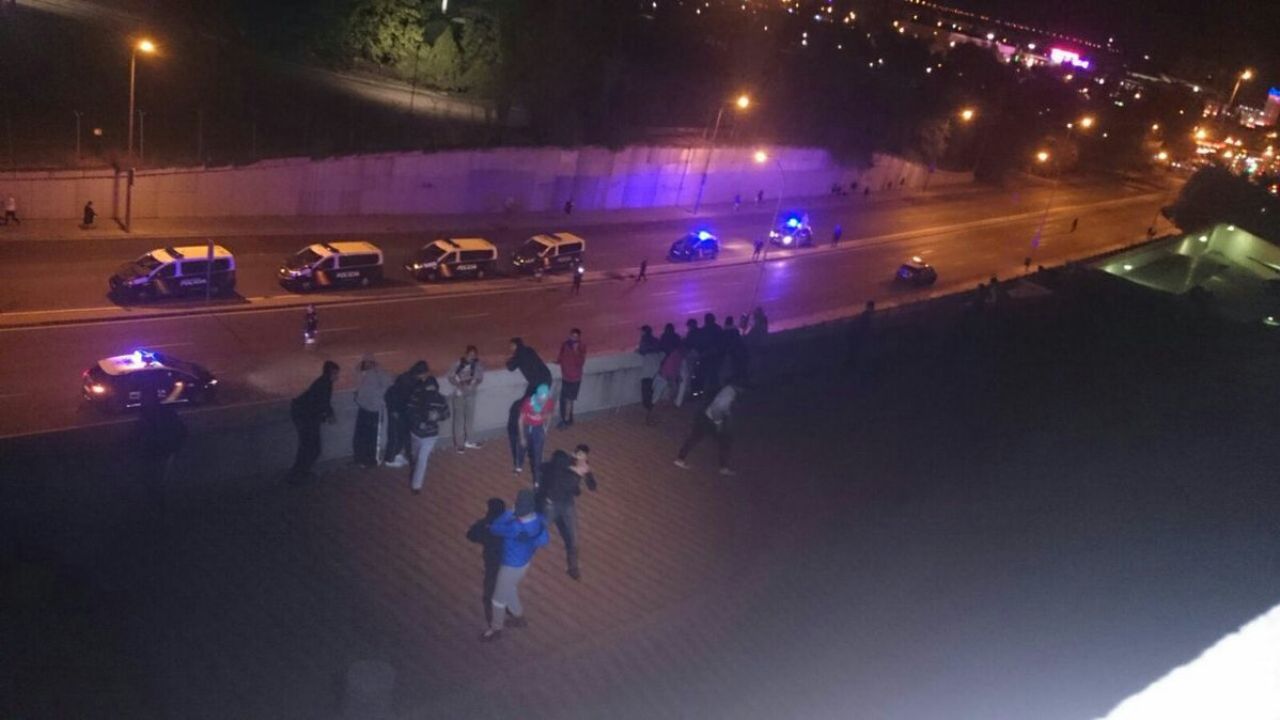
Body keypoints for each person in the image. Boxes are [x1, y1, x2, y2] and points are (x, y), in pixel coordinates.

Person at [481, 488, 549, 641]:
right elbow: (544, 540)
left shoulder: (515, 527)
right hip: (524, 563)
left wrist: (508, 513)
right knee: (510, 588)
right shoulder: (539, 520)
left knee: (498, 599)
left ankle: (496, 629)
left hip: (510, 565)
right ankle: (518, 616)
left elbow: (495, 528)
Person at [541, 447, 598, 580]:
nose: (582, 459)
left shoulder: (576, 466)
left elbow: (592, 486)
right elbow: (566, 485)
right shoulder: (559, 467)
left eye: (584, 457)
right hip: (552, 505)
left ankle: (573, 567)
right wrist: (577, 473)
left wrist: (588, 473)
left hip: (567, 505)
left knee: (574, 537)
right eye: (580, 456)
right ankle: (524, 552)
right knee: (539, 530)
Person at [133, 388, 187, 515]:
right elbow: (182, 431)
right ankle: (160, 504)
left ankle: (155, 505)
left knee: (152, 478)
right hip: (164, 450)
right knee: (162, 477)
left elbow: (139, 433)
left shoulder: (146, 414)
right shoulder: (167, 412)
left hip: (153, 451)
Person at [674, 380, 741, 476]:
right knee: (724, 442)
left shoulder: (728, 390)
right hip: (710, 419)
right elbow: (717, 408)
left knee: (696, 438)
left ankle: (680, 458)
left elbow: (721, 406)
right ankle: (723, 467)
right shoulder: (729, 393)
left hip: (706, 417)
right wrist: (718, 424)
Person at [506, 338, 552, 476]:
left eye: (511, 346)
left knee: (528, 404)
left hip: (536, 383)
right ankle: (535, 421)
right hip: (545, 378)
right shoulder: (529, 350)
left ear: (515, 345)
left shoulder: (518, 355)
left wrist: (511, 357)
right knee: (535, 404)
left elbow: (510, 367)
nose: (510, 348)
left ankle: (529, 422)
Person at [289, 361, 339, 483]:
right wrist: (329, 416)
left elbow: (323, 403)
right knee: (312, 448)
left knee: (308, 447)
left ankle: (300, 473)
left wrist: (327, 415)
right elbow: (322, 404)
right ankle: (298, 474)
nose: (337, 376)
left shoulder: (324, 382)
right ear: (331, 373)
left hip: (304, 415)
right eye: (336, 373)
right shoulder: (325, 384)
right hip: (305, 417)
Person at [466, 498, 507, 625]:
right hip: (508, 559)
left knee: (490, 585)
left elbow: (471, 535)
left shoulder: (485, 524)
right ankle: (509, 608)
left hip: (492, 558)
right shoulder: (510, 523)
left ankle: (491, 616)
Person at [406, 375, 449, 494]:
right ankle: (416, 480)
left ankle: (416, 484)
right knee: (419, 458)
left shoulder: (417, 397)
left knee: (420, 457)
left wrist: (435, 417)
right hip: (425, 433)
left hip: (421, 433)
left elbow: (409, 412)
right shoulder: (439, 398)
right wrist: (437, 416)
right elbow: (446, 414)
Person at [384, 361, 428, 467]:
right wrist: (395, 411)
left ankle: (397, 454)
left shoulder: (408, 378)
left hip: (400, 410)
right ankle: (390, 459)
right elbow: (401, 397)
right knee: (395, 434)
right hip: (397, 410)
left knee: (401, 434)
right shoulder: (410, 382)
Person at [353, 354, 391, 468]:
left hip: (372, 410)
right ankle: (366, 459)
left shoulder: (376, 374)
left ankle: (367, 460)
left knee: (368, 436)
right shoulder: (366, 374)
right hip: (369, 409)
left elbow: (387, 388)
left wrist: (378, 401)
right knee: (367, 436)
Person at [447, 346, 485, 452]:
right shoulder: (458, 364)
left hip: (471, 394)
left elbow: (480, 378)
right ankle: (459, 444)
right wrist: (459, 385)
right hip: (459, 394)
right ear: (466, 354)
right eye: (470, 354)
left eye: (474, 355)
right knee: (459, 420)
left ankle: (469, 441)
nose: (472, 356)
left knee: (470, 419)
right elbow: (450, 377)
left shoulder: (477, 365)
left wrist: (474, 383)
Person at [517, 384, 555, 485]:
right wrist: (522, 437)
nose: (543, 402)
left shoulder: (549, 402)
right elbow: (520, 420)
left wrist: (546, 428)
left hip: (538, 428)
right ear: (537, 396)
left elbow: (550, 414)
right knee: (522, 447)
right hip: (526, 426)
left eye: (545, 400)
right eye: (541, 400)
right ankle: (519, 466)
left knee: (538, 453)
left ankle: (537, 479)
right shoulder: (528, 403)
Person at [556, 328, 586, 429]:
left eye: (576, 337)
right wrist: (558, 362)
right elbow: (561, 357)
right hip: (566, 377)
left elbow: (580, 363)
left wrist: (576, 351)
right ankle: (568, 419)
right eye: (572, 336)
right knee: (564, 399)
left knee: (569, 400)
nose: (573, 338)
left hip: (575, 379)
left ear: (579, 338)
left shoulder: (581, 347)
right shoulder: (565, 345)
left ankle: (566, 421)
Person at [637, 325, 663, 416]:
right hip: (656, 365)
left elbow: (642, 351)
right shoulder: (656, 340)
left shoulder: (644, 340)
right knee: (653, 387)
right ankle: (651, 406)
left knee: (646, 387)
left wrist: (638, 351)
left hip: (648, 366)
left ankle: (648, 407)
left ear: (644, 332)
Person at [675, 318, 701, 407]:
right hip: (700, 357)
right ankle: (695, 395)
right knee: (695, 377)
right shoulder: (700, 332)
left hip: (692, 357)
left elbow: (688, 344)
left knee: (688, 377)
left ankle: (689, 396)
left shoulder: (691, 334)